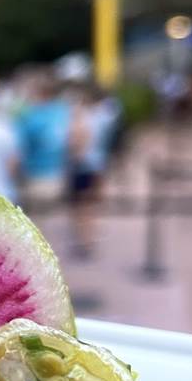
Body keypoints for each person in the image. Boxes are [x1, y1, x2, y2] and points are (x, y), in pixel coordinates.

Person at [65, 83, 119, 259]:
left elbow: (78, 146)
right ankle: (89, 238)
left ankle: (85, 240)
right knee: (90, 205)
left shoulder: (81, 120)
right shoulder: (99, 117)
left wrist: (72, 153)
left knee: (81, 206)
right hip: (97, 164)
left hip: (83, 167)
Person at [16, 69, 71, 212]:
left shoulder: (31, 116)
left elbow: (19, 147)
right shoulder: (63, 111)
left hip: (36, 173)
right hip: (59, 171)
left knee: (38, 217)